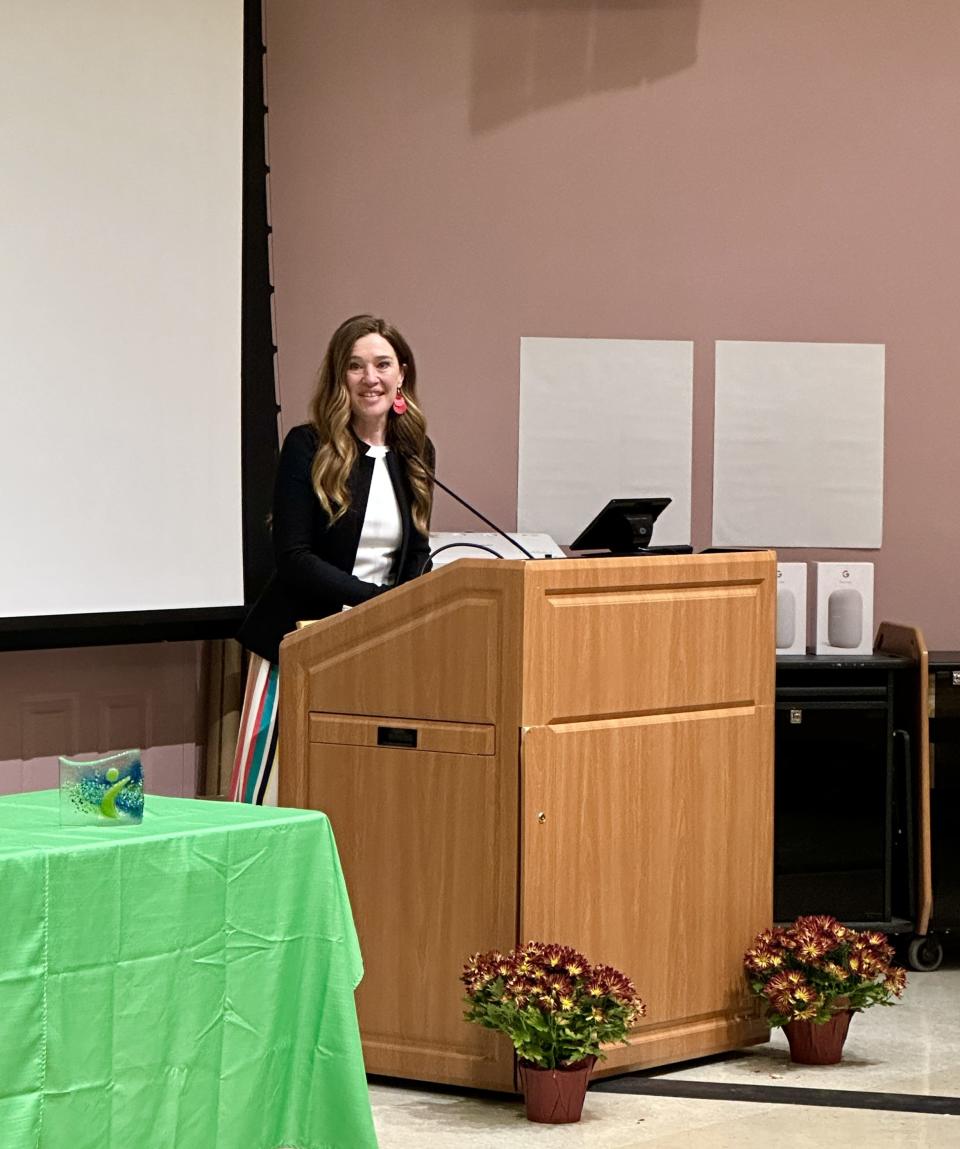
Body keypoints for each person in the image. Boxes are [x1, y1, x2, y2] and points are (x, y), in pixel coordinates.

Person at [229, 314, 434, 803]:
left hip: (375, 645)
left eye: (383, 364)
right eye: (356, 366)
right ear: (339, 377)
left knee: (348, 786)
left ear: (401, 372)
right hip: (296, 641)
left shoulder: (416, 451)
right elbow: (294, 556)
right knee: (271, 791)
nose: (371, 379)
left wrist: (400, 612)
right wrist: (376, 604)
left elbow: (417, 551)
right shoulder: (308, 445)